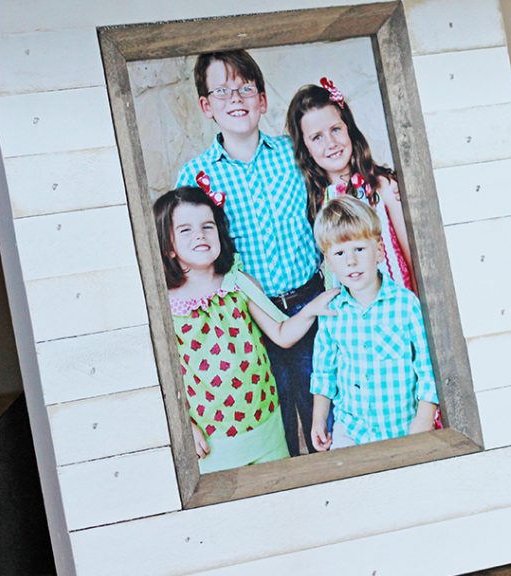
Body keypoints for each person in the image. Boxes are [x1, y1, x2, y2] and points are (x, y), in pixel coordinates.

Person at [175, 50, 322, 457]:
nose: (235, 99)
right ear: (206, 106)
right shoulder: (196, 176)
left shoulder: (295, 155)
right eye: (222, 91)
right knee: (278, 430)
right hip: (246, 320)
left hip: (309, 301)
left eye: (245, 88)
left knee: (323, 416)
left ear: (262, 100)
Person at [154, 186, 337, 473]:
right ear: (168, 246)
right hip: (215, 445)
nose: (200, 234)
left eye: (207, 225)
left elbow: (281, 332)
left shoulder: (237, 281)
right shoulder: (163, 305)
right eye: (185, 230)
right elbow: (163, 378)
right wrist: (184, 426)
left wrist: (311, 309)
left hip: (267, 427)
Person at [309, 196, 438, 450]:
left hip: (402, 429)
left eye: (359, 249)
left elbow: (426, 368)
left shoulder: (405, 305)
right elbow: (324, 372)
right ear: (329, 262)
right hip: (351, 431)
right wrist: (319, 419)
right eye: (339, 253)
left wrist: (424, 419)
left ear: (378, 250)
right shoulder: (332, 313)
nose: (351, 261)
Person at [286, 78, 415, 292]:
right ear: (305, 147)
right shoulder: (316, 202)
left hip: (398, 309)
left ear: (349, 129)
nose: (331, 143)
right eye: (317, 137)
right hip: (354, 321)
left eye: (335, 129)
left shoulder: (382, 187)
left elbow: (413, 259)